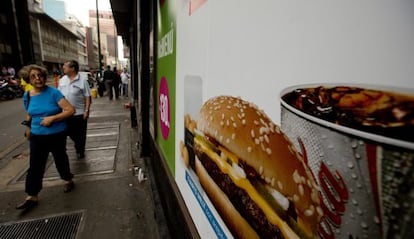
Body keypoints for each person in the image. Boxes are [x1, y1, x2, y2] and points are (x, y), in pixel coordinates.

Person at [17, 64, 75, 210]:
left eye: (41, 75)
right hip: (37, 135)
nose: (38, 79)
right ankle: (32, 195)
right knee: (35, 165)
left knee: (60, 159)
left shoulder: (53, 93)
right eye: (34, 76)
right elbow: (30, 113)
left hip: (56, 134)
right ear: (28, 80)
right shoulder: (27, 95)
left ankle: (67, 178)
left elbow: (70, 110)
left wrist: (52, 118)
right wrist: (28, 128)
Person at [59, 60, 92, 159]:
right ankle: (78, 145)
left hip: (79, 113)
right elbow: (58, 96)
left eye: (65, 66)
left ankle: (80, 150)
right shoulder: (62, 80)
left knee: (80, 134)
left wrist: (86, 110)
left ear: (72, 68)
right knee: (68, 132)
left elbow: (87, 97)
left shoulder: (82, 81)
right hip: (65, 113)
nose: (63, 67)